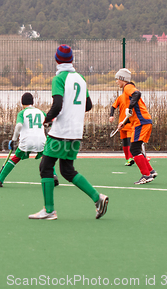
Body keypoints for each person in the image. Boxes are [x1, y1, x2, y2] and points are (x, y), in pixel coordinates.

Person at [29, 44, 109, 220]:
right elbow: (88, 105)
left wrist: (47, 118)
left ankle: (49, 211)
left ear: (57, 60)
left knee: (45, 167)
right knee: (67, 170)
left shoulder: (59, 79)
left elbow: (57, 105)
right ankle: (98, 198)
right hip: (75, 132)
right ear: (72, 59)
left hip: (60, 131)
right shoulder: (80, 78)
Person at [0, 92, 58, 188]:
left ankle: (0, 180)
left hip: (26, 141)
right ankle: (53, 175)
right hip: (41, 140)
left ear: (22, 103)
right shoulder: (41, 112)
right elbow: (51, 123)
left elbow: (19, 125)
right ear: (33, 102)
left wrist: (13, 140)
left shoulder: (22, 113)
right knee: (47, 158)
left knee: (15, 159)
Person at [115, 68, 157, 185]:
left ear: (122, 79)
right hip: (142, 121)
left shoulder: (128, 87)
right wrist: (124, 122)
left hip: (141, 122)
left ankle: (146, 175)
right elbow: (133, 113)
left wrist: (129, 107)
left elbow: (137, 94)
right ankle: (150, 171)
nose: (116, 81)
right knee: (136, 148)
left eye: (117, 79)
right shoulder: (126, 92)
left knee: (134, 149)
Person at [109, 94, 135, 166]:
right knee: (125, 142)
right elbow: (113, 106)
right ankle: (127, 159)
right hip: (121, 124)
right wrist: (111, 115)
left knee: (130, 142)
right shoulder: (121, 97)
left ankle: (130, 158)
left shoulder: (134, 98)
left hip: (131, 124)